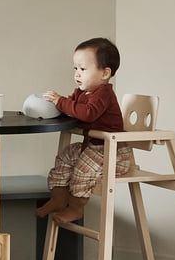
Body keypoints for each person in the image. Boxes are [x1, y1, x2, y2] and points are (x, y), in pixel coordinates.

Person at [35, 37, 132, 223]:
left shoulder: (104, 93)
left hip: (113, 153)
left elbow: (87, 114)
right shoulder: (81, 92)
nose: (77, 74)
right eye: (75, 69)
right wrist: (48, 111)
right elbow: (70, 110)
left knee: (82, 170)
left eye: (83, 69)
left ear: (105, 73)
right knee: (64, 157)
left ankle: (76, 208)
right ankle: (58, 198)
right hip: (93, 147)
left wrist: (60, 101)